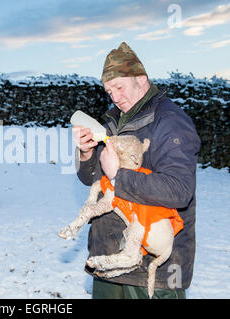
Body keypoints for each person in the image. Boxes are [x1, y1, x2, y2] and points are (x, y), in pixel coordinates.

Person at [73, 42, 201, 299]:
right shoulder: (113, 120)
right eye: (109, 92)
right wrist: (86, 154)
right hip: (109, 259)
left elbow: (179, 190)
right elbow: (92, 178)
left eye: (119, 87)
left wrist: (119, 176)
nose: (115, 97)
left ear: (141, 79)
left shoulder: (170, 121)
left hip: (152, 270)